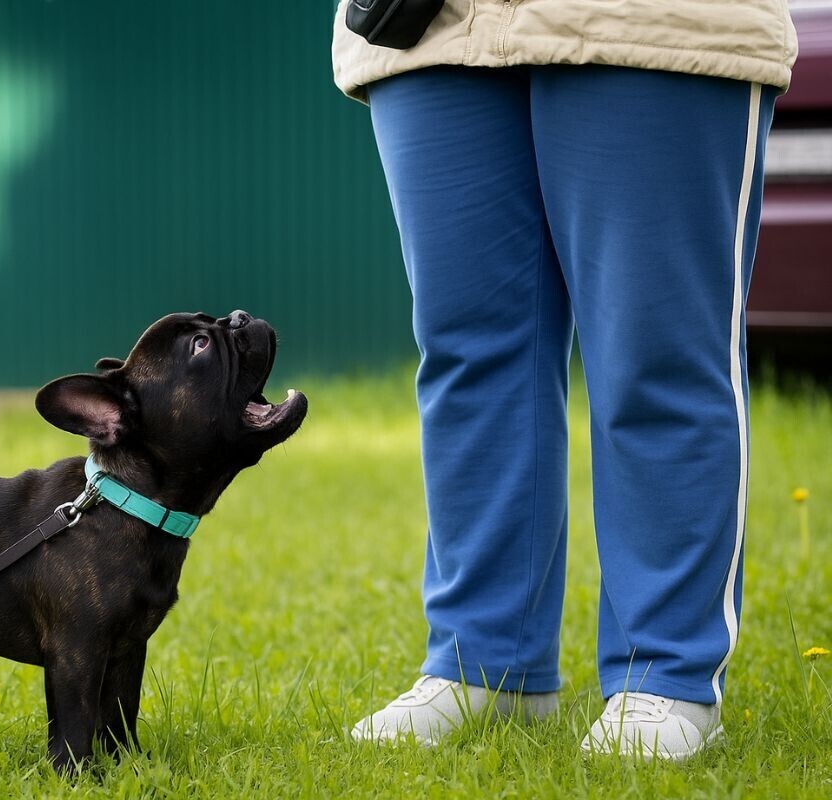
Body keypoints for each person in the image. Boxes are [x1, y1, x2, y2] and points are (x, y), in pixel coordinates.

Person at [332, 0, 796, 760]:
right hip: (431, 27)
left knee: (658, 353)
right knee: (467, 359)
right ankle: (484, 665)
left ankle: (667, 673)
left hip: (645, 22)